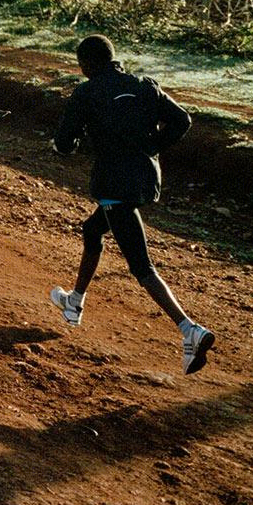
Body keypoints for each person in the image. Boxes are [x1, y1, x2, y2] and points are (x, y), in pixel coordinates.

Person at [50, 34, 213, 375]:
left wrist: (69, 144)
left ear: (86, 64)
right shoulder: (144, 85)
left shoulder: (87, 92)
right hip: (145, 181)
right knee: (92, 229)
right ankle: (75, 301)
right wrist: (152, 146)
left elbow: (65, 144)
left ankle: (189, 329)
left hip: (114, 184)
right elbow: (182, 120)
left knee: (141, 266)